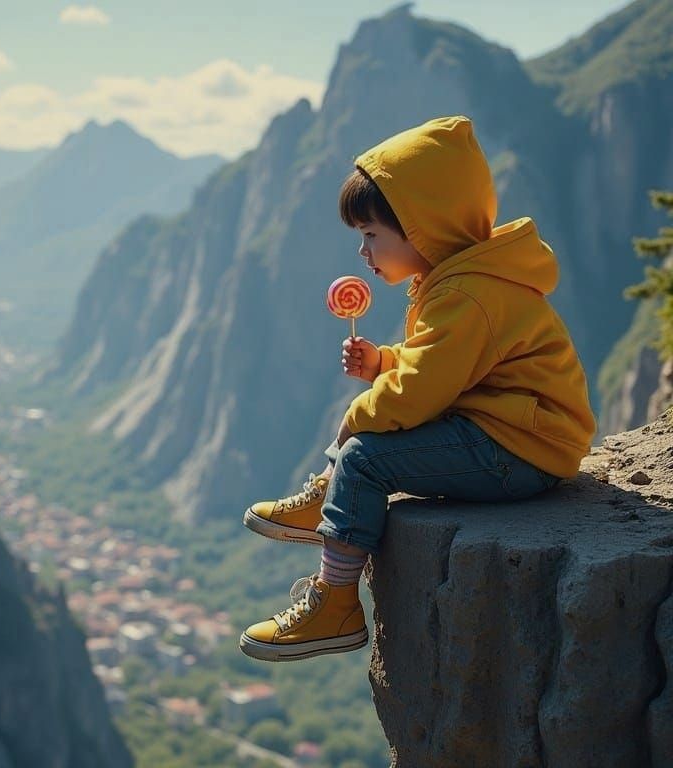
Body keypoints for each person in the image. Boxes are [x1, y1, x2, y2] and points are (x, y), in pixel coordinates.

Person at [238, 115, 597, 663]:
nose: (363, 253)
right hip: (512, 430)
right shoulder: (463, 281)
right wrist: (385, 360)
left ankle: (335, 604)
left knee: (363, 458)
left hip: (520, 451)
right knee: (369, 438)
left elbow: (419, 392)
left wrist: (356, 415)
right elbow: (443, 362)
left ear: (423, 227)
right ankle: (327, 505)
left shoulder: (467, 295)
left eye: (371, 236)